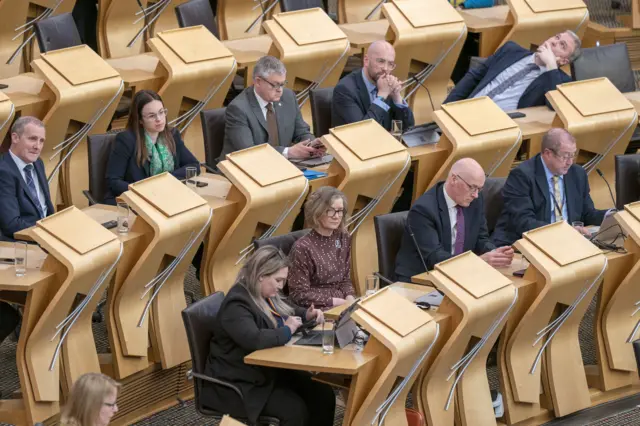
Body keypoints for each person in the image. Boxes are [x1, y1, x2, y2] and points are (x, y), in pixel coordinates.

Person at [203, 246, 335, 426]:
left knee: (323, 394)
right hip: (239, 383)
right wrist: (287, 330)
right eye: (278, 280)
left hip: (265, 372)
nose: (281, 286)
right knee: (294, 411)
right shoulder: (237, 304)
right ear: (261, 275)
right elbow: (255, 339)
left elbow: (284, 308)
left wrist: (305, 314)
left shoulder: (262, 293)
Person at [395, 158, 514, 282]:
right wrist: (479, 261)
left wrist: (495, 253)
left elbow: (481, 238)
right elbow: (435, 257)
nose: (476, 195)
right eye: (472, 188)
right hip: (423, 277)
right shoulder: (423, 210)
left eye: (480, 189)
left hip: (459, 275)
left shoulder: (475, 201)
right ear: (453, 179)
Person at [492, 128, 608, 246]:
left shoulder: (577, 174)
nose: (570, 162)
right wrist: (563, 232)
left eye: (573, 155)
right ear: (548, 154)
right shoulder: (522, 176)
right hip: (528, 244)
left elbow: (587, 214)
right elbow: (524, 222)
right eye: (565, 156)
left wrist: (613, 215)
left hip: (567, 242)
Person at [218, 56, 325, 163]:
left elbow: (301, 132)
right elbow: (248, 152)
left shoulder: (288, 97)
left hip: (281, 165)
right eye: (275, 85)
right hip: (244, 169)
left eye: (282, 84)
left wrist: (312, 144)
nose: (280, 90)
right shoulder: (238, 109)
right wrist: (289, 152)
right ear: (258, 81)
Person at [444, 31, 581, 111]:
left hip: (497, 127)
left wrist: (551, 65)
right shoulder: (511, 50)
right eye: (556, 37)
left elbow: (553, 106)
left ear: (564, 61)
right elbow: (473, 77)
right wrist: (446, 109)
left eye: (562, 45)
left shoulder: (558, 81)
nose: (554, 42)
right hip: (467, 109)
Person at [105, 90, 199, 204]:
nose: (159, 119)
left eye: (161, 112)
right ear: (140, 120)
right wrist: (145, 190)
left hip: (166, 196)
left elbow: (194, 166)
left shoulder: (172, 135)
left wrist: (165, 180)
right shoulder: (126, 140)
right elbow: (113, 182)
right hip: (136, 201)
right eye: (151, 116)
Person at [288, 187, 356, 310]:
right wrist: (334, 301)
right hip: (317, 308)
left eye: (340, 211)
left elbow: (345, 279)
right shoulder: (302, 247)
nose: (336, 216)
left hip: (342, 304)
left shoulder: (343, 237)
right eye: (330, 211)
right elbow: (298, 294)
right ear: (317, 212)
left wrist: (350, 299)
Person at [332, 40, 415, 131]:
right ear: (366, 60)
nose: (385, 68)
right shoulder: (345, 90)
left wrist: (397, 97)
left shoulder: (386, 85)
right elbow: (363, 131)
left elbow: (409, 129)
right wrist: (381, 96)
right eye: (381, 61)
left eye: (390, 64)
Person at [0, 116, 54, 240]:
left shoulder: (37, 163)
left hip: (46, 234)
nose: (38, 146)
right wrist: (47, 234)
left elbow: (46, 208)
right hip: (23, 241)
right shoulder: (3, 171)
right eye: (32, 139)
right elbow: (11, 225)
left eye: (41, 141)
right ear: (15, 138)